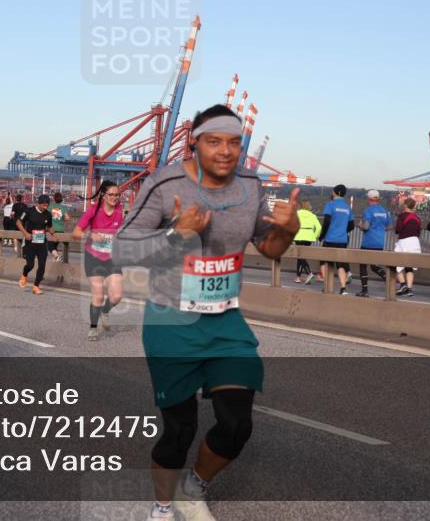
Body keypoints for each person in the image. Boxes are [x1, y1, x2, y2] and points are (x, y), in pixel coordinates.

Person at [113, 105, 300, 521]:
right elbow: (122, 249)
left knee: (237, 425)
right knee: (179, 431)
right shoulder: (166, 183)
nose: (226, 151)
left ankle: (191, 489)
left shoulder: (251, 185)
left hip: (225, 319)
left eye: (234, 142)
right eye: (214, 141)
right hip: (170, 319)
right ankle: (161, 507)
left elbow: (268, 248)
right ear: (194, 143)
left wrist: (287, 230)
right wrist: (178, 235)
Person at [72, 181, 124, 340]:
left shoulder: (121, 210)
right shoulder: (93, 211)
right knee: (98, 295)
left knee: (116, 296)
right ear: (103, 195)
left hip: (112, 258)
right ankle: (93, 328)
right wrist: (90, 235)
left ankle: (105, 311)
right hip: (93, 257)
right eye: (111, 195)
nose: (115, 198)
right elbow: (76, 232)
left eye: (117, 195)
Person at [318, 184, 354, 295]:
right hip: (342, 240)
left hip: (330, 239)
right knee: (341, 265)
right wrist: (343, 230)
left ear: (337, 192)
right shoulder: (347, 207)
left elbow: (326, 222)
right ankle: (343, 288)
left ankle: (327, 286)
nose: (332, 193)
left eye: (333, 191)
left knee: (324, 262)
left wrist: (322, 236)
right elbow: (352, 225)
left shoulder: (330, 205)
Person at [356, 189, 391, 297]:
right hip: (379, 242)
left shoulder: (368, 210)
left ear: (369, 198)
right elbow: (389, 226)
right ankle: (387, 280)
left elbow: (366, 227)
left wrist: (359, 225)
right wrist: (379, 230)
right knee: (374, 266)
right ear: (378, 198)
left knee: (363, 265)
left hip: (368, 242)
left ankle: (364, 290)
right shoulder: (384, 211)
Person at [17, 195, 54, 295]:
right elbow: (18, 222)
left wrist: (53, 233)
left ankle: (36, 286)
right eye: (44, 205)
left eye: (47, 205)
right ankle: (24, 275)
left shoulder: (48, 215)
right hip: (30, 242)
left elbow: (49, 227)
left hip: (42, 242)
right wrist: (25, 233)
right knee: (30, 265)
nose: (46, 207)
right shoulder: (29, 211)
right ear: (39, 203)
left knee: (42, 264)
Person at [393, 198, 422, 296]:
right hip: (415, 242)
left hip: (404, 241)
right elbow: (418, 232)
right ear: (414, 206)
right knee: (409, 266)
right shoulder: (417, 218)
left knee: (396, 264)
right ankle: (409, 289)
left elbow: (398, 229)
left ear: (405, 205)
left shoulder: (402, 216)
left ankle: (402, 284)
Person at [293, 199, 321, 284]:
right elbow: (319, 227)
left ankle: (309, 273)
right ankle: (298, 277)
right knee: (302, 257)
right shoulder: (312, 215)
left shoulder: (297, 214)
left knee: (300, 257)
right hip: (309, 237)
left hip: (299, 236)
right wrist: (315, 236)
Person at [48, 192, 72, 262]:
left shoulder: (50, 207)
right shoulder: (63, 207)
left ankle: (57, 257)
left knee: (49, 246)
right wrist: (62, 219)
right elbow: (67, 218)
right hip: (60, 230)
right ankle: (55, 266)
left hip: (52, 230)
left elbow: (46, 215)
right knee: (54, 247)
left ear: (54, 198)